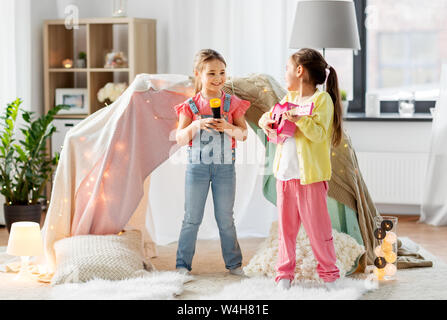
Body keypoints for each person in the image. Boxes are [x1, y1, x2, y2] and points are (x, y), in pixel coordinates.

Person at [258, 48, 343, 289]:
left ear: (299, 71)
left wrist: (299, 119)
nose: (284, 73)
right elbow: (274, 121)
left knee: (319, 230)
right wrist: (267, 121)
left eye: (287, 68)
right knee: (286, 231)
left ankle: (329, 274)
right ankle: (284, 275)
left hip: (311, 180)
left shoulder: (321, 100)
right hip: (285, 177)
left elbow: (318, 134)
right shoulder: (288, 98)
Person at [174, 49, 250, 275]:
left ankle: (234, 264)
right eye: (212, 73)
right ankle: (182, 265)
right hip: (197, 169)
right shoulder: (191, 105)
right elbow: (179, 138)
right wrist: (195, 126)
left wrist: (228, 127)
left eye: (222, 72)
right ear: (198, 74)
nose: (218, 78)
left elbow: (243, 134)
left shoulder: (232, 103)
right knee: (191, 218)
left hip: (225, 169)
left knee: (225, 218)